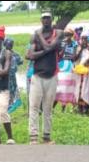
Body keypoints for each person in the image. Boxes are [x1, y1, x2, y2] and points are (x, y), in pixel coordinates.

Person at [27, 10, 62, 145]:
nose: (46, 20)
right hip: (37, 75)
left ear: (52, 19)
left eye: (48, 18)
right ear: (41, 20)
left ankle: (46, 137)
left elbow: (48, 46)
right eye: (44, 18)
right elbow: (30, 55)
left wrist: (40, 36)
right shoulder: (34, 36)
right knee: (34, 107)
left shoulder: (58, 33)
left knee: (48, 108)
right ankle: (33, 137)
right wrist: (46, 50)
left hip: (52, 75)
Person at [55, 28, 80, 112]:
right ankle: (57, 106)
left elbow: (74, 56)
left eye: (69, 35)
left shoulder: (74, 43)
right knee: (61, 86)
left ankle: (66, 107)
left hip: (70, 65)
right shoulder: (62, 43)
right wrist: (64, 47)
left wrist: (67, 56)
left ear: (72, 35)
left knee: (69, 86)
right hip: (62, 65)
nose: (67, 36)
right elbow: (60, 55)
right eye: (66, 35)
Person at [4, 38, 24, 113]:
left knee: (13, 89)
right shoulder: (2, 53)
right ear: (5, 44)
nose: (10, 46)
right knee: (5, 91)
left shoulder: (15, 54)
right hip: (4, 76)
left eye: (11, 44)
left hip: (12, 76)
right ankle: (7, 107)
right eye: (9, 44)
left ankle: (11, 106)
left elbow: (20, 61)